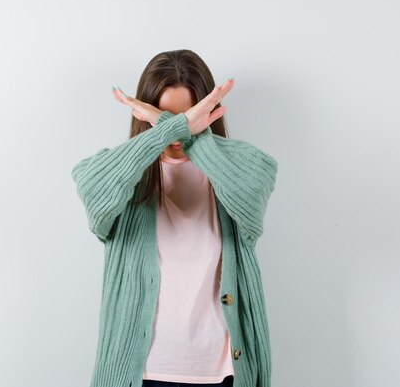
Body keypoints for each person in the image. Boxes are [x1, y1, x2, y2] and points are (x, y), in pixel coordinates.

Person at [71, 50, 278, 387]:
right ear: (146, 115)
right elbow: (91, 186)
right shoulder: (127, 174)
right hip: (141, 374)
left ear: (208, 113)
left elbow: (257, 183)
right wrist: (166, 132)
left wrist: (188, 134)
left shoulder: (232, 170)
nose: (179, 133)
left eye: (190, 115)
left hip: (223, 373)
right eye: (164, 116)